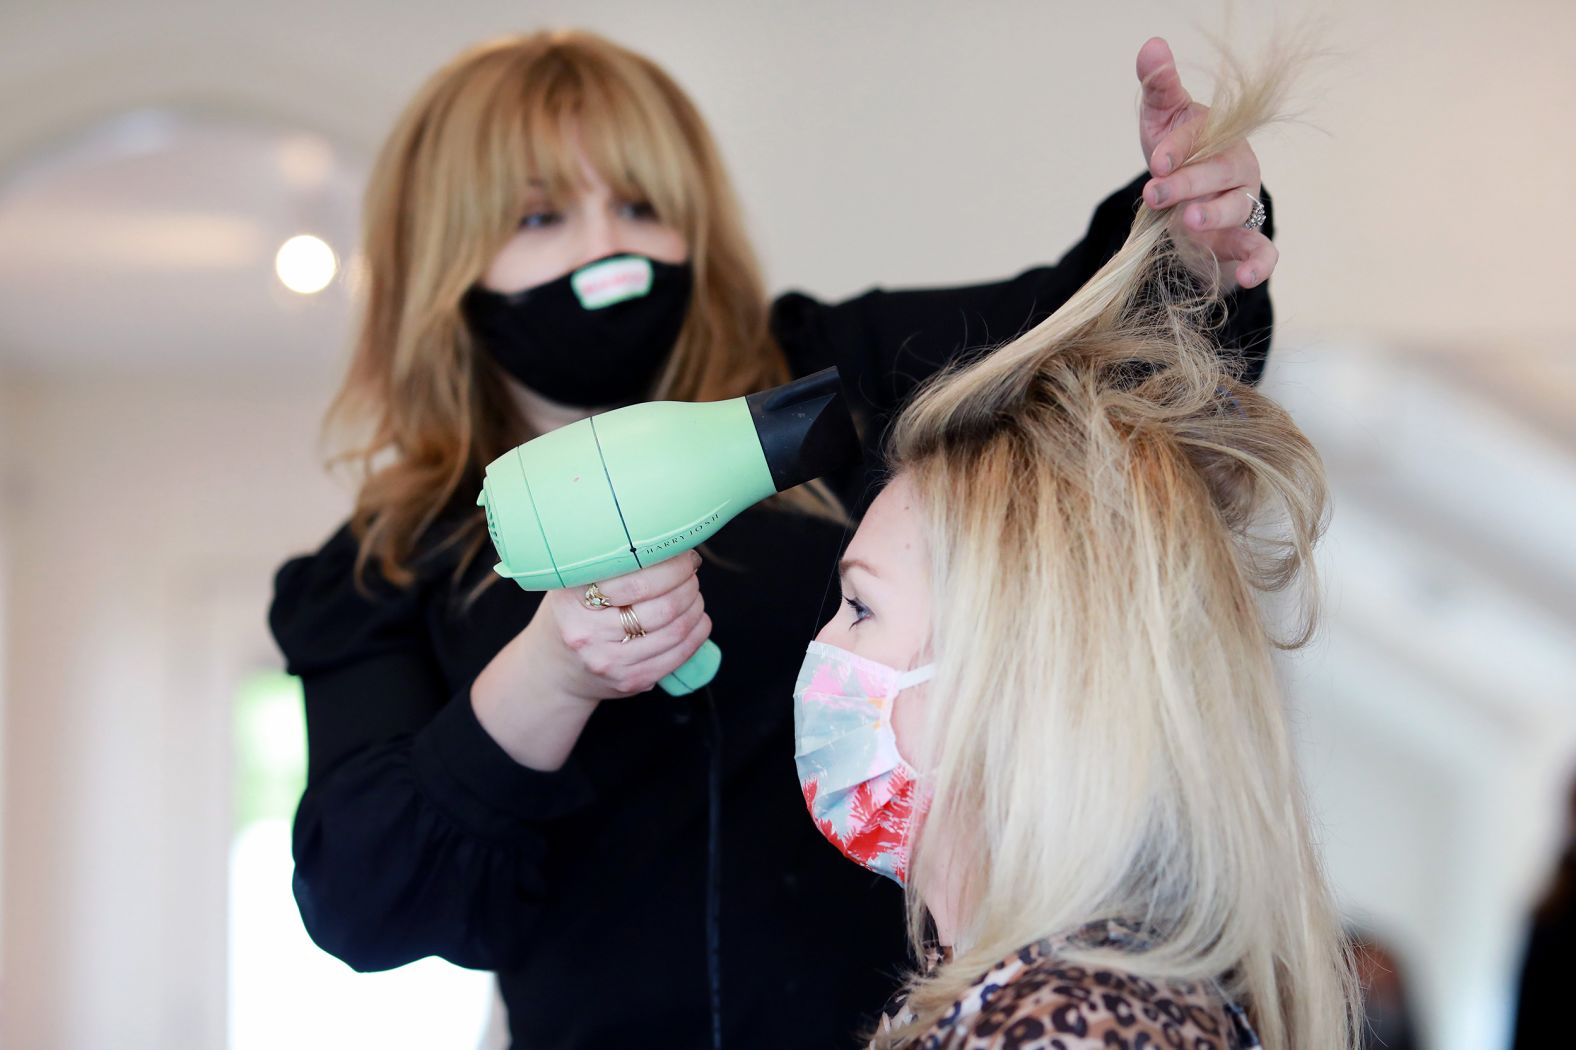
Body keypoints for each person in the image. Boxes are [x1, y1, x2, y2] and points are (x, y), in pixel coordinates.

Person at [268, 27, 1280, 1049]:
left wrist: (1182, 239)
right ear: (441, 258)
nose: (605, 252)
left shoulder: (832, 383)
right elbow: (364, 898)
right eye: (540, 216)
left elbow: (1098, 354)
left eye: (640, 205)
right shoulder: (382, 568)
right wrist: (551, 674)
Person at [793, 51, 1356, 1050]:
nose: (820, 654)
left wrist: (1194, 240)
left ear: (1016, 668)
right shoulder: (1035, 1001)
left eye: (860, 608)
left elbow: (1120, 335)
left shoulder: (1062, 1028)